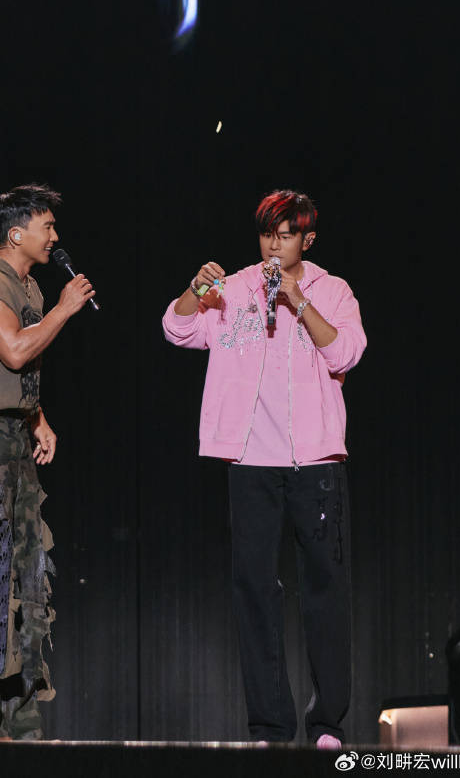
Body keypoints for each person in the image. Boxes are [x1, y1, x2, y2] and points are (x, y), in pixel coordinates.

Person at [161, 190, 366, 749]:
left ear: (307, 239)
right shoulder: (234, 288)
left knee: (325, 590)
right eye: (266, 234)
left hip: (316, 462)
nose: (274, 245)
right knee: (254, 590)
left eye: (286, 235)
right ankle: (270, 728)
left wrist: (298, 302)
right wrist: (195, 289)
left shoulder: (334, 290)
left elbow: (346, 353)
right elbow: (177, 329)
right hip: (250, 460)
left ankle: (327, 725)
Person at [0, 183, 95, 741]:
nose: (55, 236)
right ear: (16, 232)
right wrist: (65, 309)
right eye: (46, 226)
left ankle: (16, 717)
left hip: (13, 436)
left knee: (26, 572)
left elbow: (19, 370)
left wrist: (37, 418)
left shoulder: (27, 286)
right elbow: (13, 350)